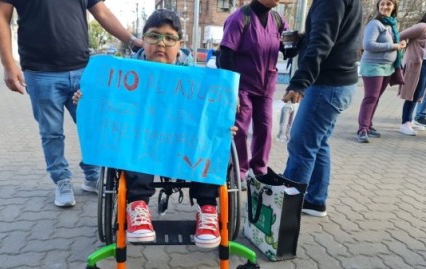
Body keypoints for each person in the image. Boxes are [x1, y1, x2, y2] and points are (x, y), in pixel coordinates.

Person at [73, 9, 237, 248]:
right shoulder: (125, 74)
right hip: (144, 145)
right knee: (134, 139)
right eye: (154, 36)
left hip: (184, 148)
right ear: (143, 39)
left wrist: (223, 125)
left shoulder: (199, 78)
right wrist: (87, 100)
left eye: (169, 38)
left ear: (180, 44)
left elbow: (213, 118)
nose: (161, 43)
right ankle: (137, 204)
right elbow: (106, 105)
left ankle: (208, 209)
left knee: (210, 142)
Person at [0, 0, 143, 208]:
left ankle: (93, 176)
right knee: (51, 132)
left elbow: (101, 11)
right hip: (40, 71)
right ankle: (62, 180)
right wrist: (8, 64)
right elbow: (0, 15)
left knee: (93, 126)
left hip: (82, 69)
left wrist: (132, 40)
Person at [282, 0, 362, 217]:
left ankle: (286, 210)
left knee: (302, 145)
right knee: (318, 143)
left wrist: (300, 82)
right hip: (341, 83)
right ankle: (315, 201)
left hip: (327, 85)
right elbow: (333, 36)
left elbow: (322, 42)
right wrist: (304, 39)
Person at [218, 0, 292, 191]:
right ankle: (238, 172)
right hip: (242, 86)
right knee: (240, 130)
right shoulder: (240, 18)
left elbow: (288, 49)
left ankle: (258, 170)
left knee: (265, 129)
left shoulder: (278, 20)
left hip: (266, 86)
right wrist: (231, 90)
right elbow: (225, 55)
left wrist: (299, 42)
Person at [356, 0, 407, 143]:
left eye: (389, 4)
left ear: (394, 6)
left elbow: (392, 44)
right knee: (371, 97)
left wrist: (400, 44)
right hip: (374, 65)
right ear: (378, 6)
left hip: (388, 67)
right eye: (382, 4)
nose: (385, 7)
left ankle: (369, 125)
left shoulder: (391, 24)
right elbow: (368, 45)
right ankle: (362, 129)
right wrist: (394, 46)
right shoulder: (375, 24)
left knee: (376, 97)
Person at [397, 13, 426, 136]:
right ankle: (405, 123)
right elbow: (399, 35)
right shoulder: (422, 26)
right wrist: (405, 46)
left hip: (424, 64)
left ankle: (411, 120)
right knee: (412, 93)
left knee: (419, 94)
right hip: (416, 64)